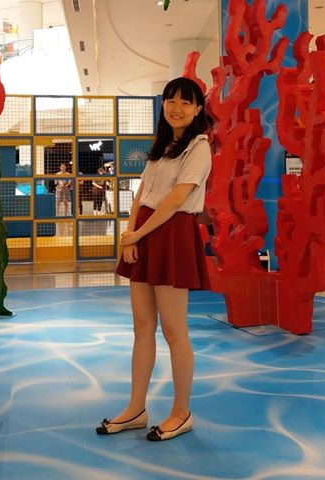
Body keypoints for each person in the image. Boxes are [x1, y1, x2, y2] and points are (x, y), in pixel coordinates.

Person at [96, 77, 212, 441]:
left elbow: (177, 198)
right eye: (171, 100)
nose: (177, 108)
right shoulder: (162, 146)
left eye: (186, 102)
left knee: (175, 331)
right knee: (142, 327)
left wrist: (138, 234)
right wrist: (130, 235)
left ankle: (181, 412)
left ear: (197, 109)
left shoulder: (199, 146)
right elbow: (142, 193)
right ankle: (136, 408)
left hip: (172, 233)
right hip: (146, 231)